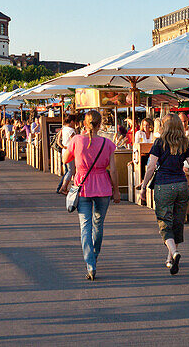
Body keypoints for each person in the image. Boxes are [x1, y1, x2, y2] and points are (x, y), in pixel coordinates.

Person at [137, 113, 189, 275]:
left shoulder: (159, 142)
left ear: (164, 126)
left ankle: (174, 254)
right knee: (177, 223)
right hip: (182, 186)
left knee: (164, 223)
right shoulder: (184, 143)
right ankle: (170, 259)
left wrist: (144, 186)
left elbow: (151, 166)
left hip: (163, 186)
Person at [63, 109, 120, 281]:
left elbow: (65, 159)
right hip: (103, 186)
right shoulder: (107, 143)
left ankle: (90, 264)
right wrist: (116, 190)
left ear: (84, 124)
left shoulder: (77, 140)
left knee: (85, 227)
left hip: (83, 187)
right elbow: (114, 170)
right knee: (98, 225)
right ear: (100, 124)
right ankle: (94, 255)